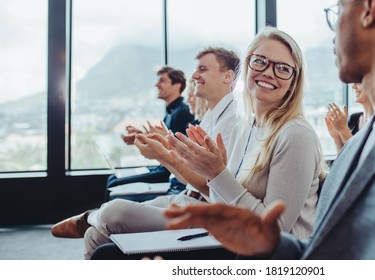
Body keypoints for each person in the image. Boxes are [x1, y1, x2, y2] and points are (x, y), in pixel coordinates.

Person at [164, 0, 375, 259]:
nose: (333, 32)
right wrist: (270, 245)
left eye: (338, 11)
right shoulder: (355, 146)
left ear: (369, 9)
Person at [91, 26, 326, 260]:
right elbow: (222, 198)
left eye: (283, 68)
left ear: (294, 81)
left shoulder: (295, 135)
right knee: (99, 239)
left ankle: (90, 217)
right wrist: (211, 175)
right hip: (231, 236)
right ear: (246, 66)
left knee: (108, 245)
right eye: (260, 61)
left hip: (265, 256)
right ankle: (92, 219)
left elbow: (273, 230)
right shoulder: (247, 126)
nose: (269, 72)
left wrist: (216, 174)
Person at [51, 47, 241, 260]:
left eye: (203, 69)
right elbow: (191, 166)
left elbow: (213, 185)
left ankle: (89, 217)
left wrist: (163, 154)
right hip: (184, 197)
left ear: (227, 76)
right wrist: (162, 146)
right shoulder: (211, 118)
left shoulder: (233, 122)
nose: (194, 76)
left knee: (113, 212)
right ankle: (93, 219)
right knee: (94, 235)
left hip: (203, 207)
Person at [106, 66, 194, 194]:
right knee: (112, 178)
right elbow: (166, 139)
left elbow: (175, 148)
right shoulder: (171, 112)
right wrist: (141, 136)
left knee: (114, 182)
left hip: (169, 171)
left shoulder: (181, 112)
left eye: (162, 81)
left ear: (177, 85)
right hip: (162, 167)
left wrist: (145, 137)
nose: (157, 84)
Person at [325, 82, 373, 152]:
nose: (353, 86)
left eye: (358, 82)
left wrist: (343, 130)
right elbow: (343, 159)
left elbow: (363, 160)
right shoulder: (354, 118)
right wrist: (337, 136)